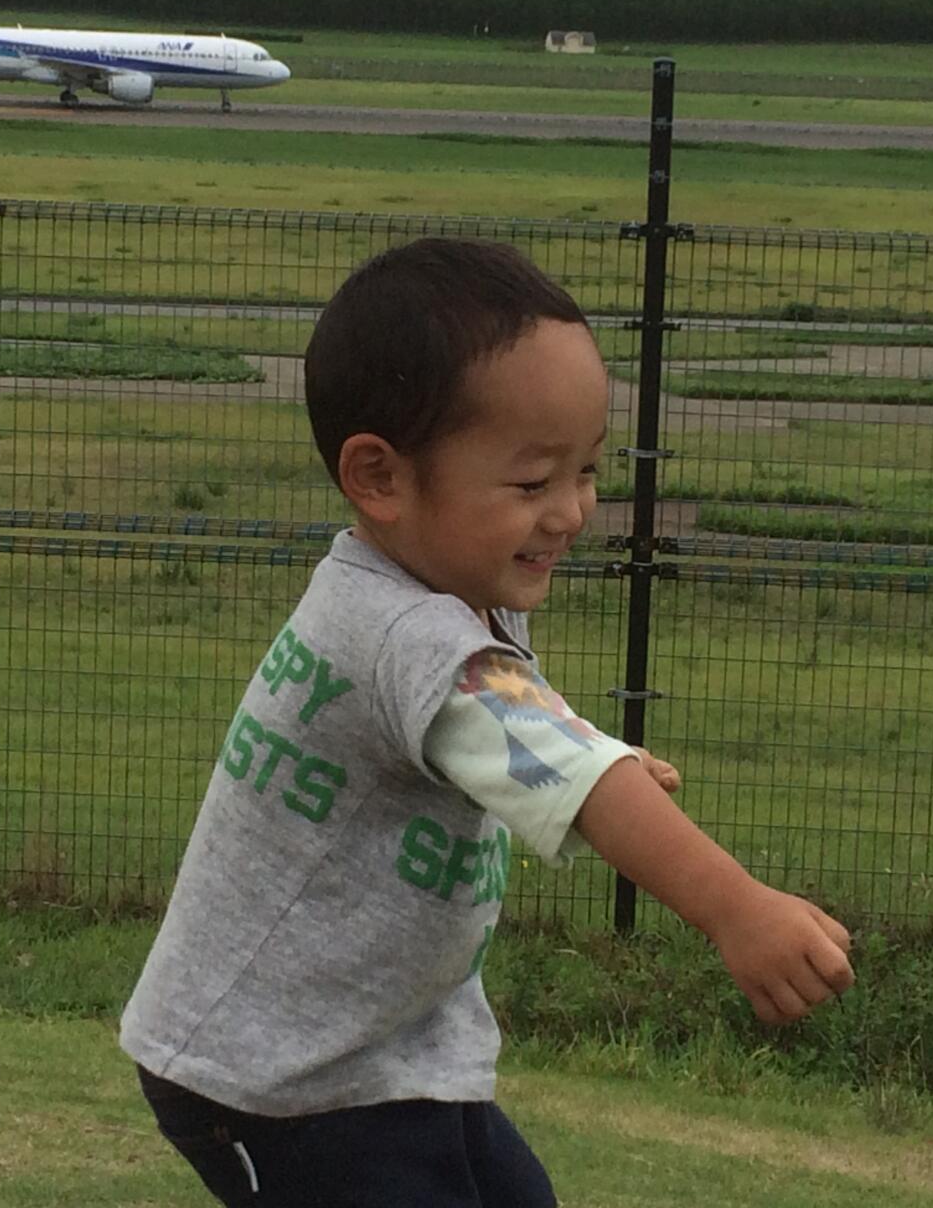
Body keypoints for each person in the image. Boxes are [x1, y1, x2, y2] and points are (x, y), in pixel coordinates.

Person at [120, 238, 854, 1206]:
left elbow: (529, 732)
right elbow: (567, 773)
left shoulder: (418, 593)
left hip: (387, 1047)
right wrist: (738, 909)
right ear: (379, 476)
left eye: (586, 471)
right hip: (274, 1076)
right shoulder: (412, 630)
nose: (572, 512)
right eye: (531, 482)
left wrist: (604, 755)